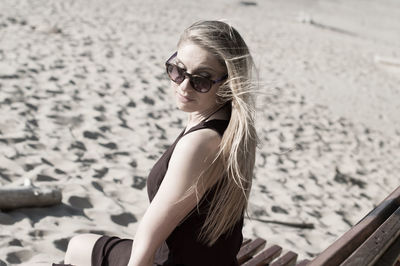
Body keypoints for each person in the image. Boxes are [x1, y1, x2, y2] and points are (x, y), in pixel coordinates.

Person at [60, 20, 257, 266]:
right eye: (178, 70)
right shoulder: (232, 127)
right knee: (79, 245)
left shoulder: (200, 143)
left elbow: (148, 240)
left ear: (227, 82)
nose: (184, 86)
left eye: (202, 79)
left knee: (78, 249)